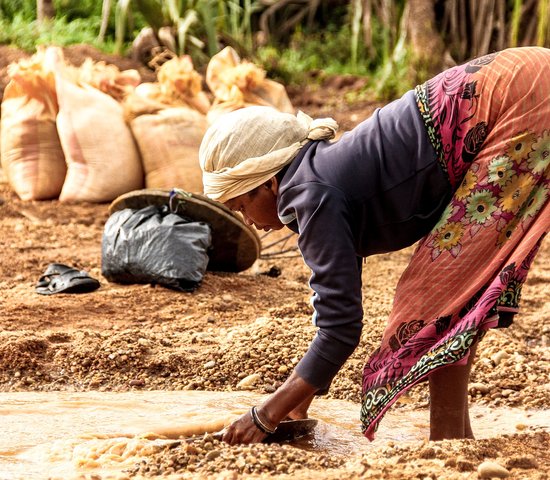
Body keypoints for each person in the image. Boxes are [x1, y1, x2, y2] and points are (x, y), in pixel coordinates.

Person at [198, 46, 550, 444]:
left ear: (269, 183)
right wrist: (297, 402)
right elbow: (336, 307)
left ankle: (448, 441)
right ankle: (453, 437)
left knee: (441, 294)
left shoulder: (310, 196)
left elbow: (340, 328)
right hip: (520, 80)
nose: (247, 221)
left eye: (241, 205)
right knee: (454, 290)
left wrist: (265, 415)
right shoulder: (318, 176)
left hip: (522, 97)